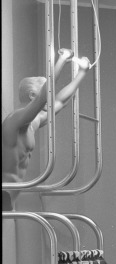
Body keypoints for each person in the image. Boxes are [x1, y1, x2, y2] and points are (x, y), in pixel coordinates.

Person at [3, 52, 94, 184]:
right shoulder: (14, 119)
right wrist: (62, 59)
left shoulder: (34, 121)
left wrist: (82, 72)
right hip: (6, 189)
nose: (50, 99)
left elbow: (62, 101)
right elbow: (43, 98)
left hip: (13, 190)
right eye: (48, 94)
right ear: (32, 95)